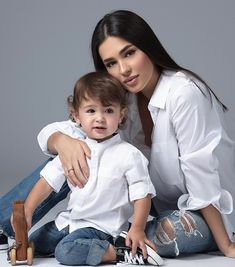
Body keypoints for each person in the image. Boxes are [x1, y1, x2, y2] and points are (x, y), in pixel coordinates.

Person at [1, 9, 235, 258]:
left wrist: (227, 246)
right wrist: (62, 142)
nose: (123, 70)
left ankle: (109, 241)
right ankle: (7, 226)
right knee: (74, 154)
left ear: (148, 48)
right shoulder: (124, 101)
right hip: (148, 206)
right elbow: (62, 130)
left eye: (129, 53)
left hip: (203, 213)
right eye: (111, 63)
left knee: (168, 231)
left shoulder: (183, 93)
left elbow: (203, 181)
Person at [19, 72, 162, 266]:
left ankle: (119, 251)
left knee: (66, 252)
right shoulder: (75, 149)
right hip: (71, 221)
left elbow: (142, 194)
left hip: (103, 226)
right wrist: (28, 208)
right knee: (35, 243)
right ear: (77, 116)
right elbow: (47, 182)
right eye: (91, 111)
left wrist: (137, 228)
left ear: (121, 115)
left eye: (109, 110)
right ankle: (83, 245)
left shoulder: (128, 154)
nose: (100, 118)